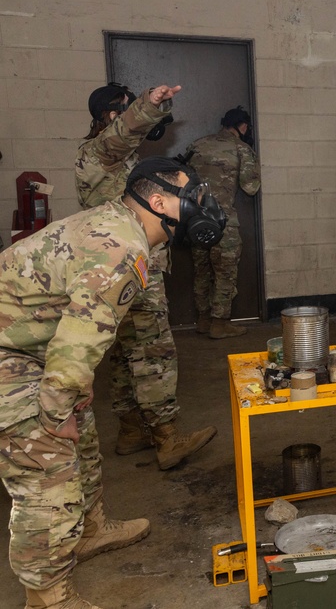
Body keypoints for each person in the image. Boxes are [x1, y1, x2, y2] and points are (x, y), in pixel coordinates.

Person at [0, 158, 218, 609]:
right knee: (47, 471)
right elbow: (76, 348)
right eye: (189, 193)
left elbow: (77, 330)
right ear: (158, 202)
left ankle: (90, 530)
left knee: (82, 436)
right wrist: (59, 405)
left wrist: (74, 388)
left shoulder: (121, 226)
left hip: (31, 343)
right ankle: (47, 600)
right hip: (9, 354)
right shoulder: (122, 248)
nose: (201, 202)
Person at [75, 83, 218, 471]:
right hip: (132, 269)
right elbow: (122, 133)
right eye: (121, 109)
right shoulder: (99, 154)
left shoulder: (116, 159)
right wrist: (147, 106)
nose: (128, 117)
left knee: (123, 353)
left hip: (119, 267)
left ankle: (131, 430)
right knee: (154, 350)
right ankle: (167, 438)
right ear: (107, 115)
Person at [184, 105, 261, 339]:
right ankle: (220, 323)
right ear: (243, 126)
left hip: (195, 221)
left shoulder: (196, 145)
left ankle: (203, 320)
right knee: (225, 272)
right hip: (222, 221)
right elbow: (251, 186)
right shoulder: (241, 148)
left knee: (202, 271)